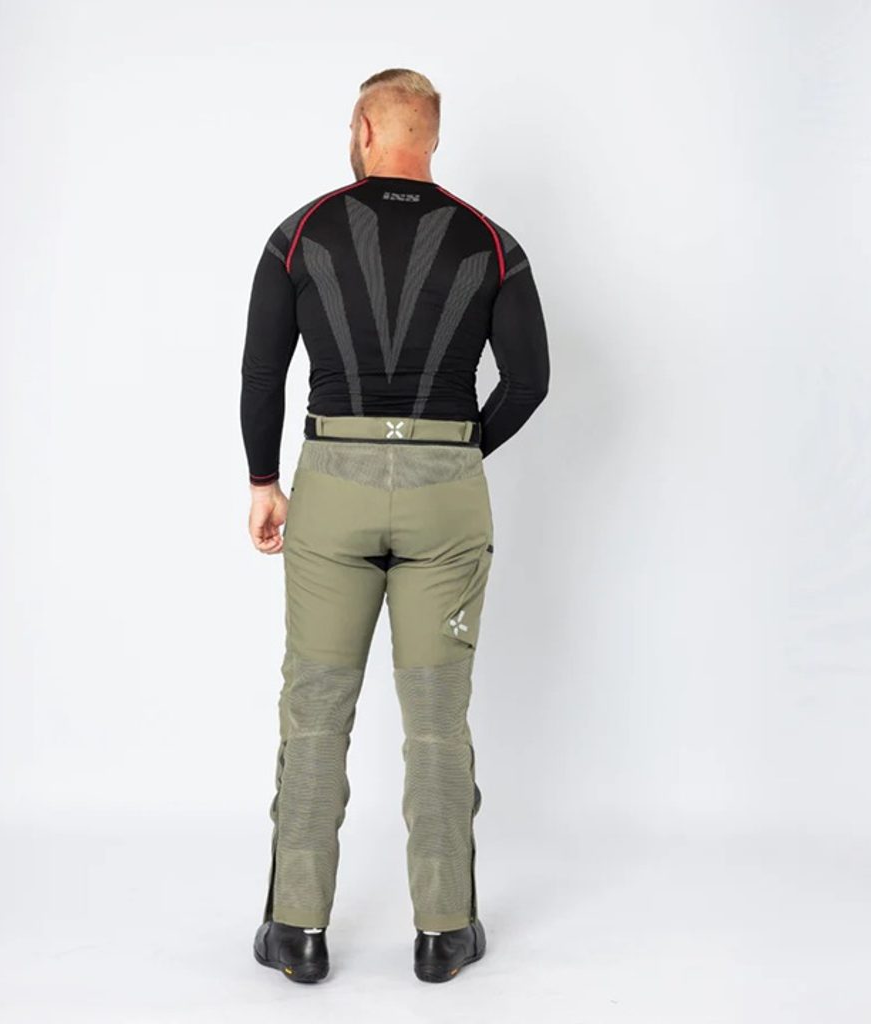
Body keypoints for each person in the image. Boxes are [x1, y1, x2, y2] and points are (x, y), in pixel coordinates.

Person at [242, 68, 550, 984]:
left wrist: (264, 481)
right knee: (437, 719)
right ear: (432, 137)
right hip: (445, 490)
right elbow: (529, 381)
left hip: (330, 485)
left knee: (315, 710)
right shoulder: (492, 243)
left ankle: (296, 932)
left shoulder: (300, 233)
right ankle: (445, 935)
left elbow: (262, 374)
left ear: (364, 130)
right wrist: (455, 454)